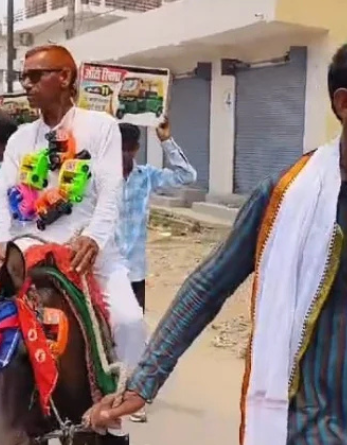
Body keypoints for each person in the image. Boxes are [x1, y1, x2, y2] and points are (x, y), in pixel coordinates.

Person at [87, 29, 347, 445]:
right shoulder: (285, 196)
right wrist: (144, 382)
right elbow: (207, 287)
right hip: (314, 428)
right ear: (346, 103)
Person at [0, 43, 146, 383]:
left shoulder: (101, 127)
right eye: (23, 77)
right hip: (27, 248)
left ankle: (121, 398)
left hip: (87, 252)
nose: (26, 84)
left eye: (34, 76)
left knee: (130, 322)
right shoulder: (20, 139)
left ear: (64, 77)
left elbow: (110, 190)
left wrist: (94, 238)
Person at [115, 118, 197, 423]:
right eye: (116, 148)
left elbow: (186, 175)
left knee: (134, 332)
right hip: (103, 270)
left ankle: (132, 395)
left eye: (126, 149)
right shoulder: (97, 175)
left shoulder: (146, 177)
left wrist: (166, 141)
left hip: (134, 270)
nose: (121, 155)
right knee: (101, 330)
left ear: (135, 149)